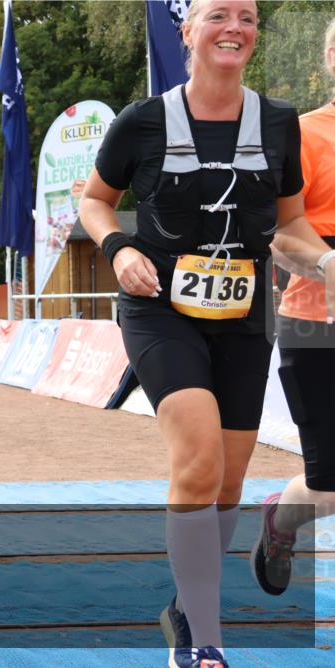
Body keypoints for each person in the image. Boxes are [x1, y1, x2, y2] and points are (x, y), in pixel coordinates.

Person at [78, 2, 322, 665]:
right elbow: (95, 200)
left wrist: (325, 262)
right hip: (159, 306)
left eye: (246, 17)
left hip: (245, 313)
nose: (234, 28)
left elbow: (290, 225)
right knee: (199, 462)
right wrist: (119, 249)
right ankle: (202, 638)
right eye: (219, 15)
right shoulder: (144, 121)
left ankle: (187, 603)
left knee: (230, 485)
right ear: (187, 31)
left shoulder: (277, 123)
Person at [250, 17, 335, 599]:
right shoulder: (303, 135)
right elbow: (276, 235)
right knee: (329, 490)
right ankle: (282, 519)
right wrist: (328, 268)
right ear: (329, 56)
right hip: (316, 325)